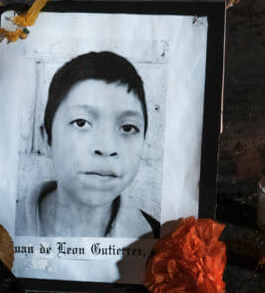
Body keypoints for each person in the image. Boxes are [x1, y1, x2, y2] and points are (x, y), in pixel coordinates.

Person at [16, 51, 159, 239]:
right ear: (47, 139)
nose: (107, 148)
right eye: (81, 123)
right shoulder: (0, 222)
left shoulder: (161, 240)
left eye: (127, 127)